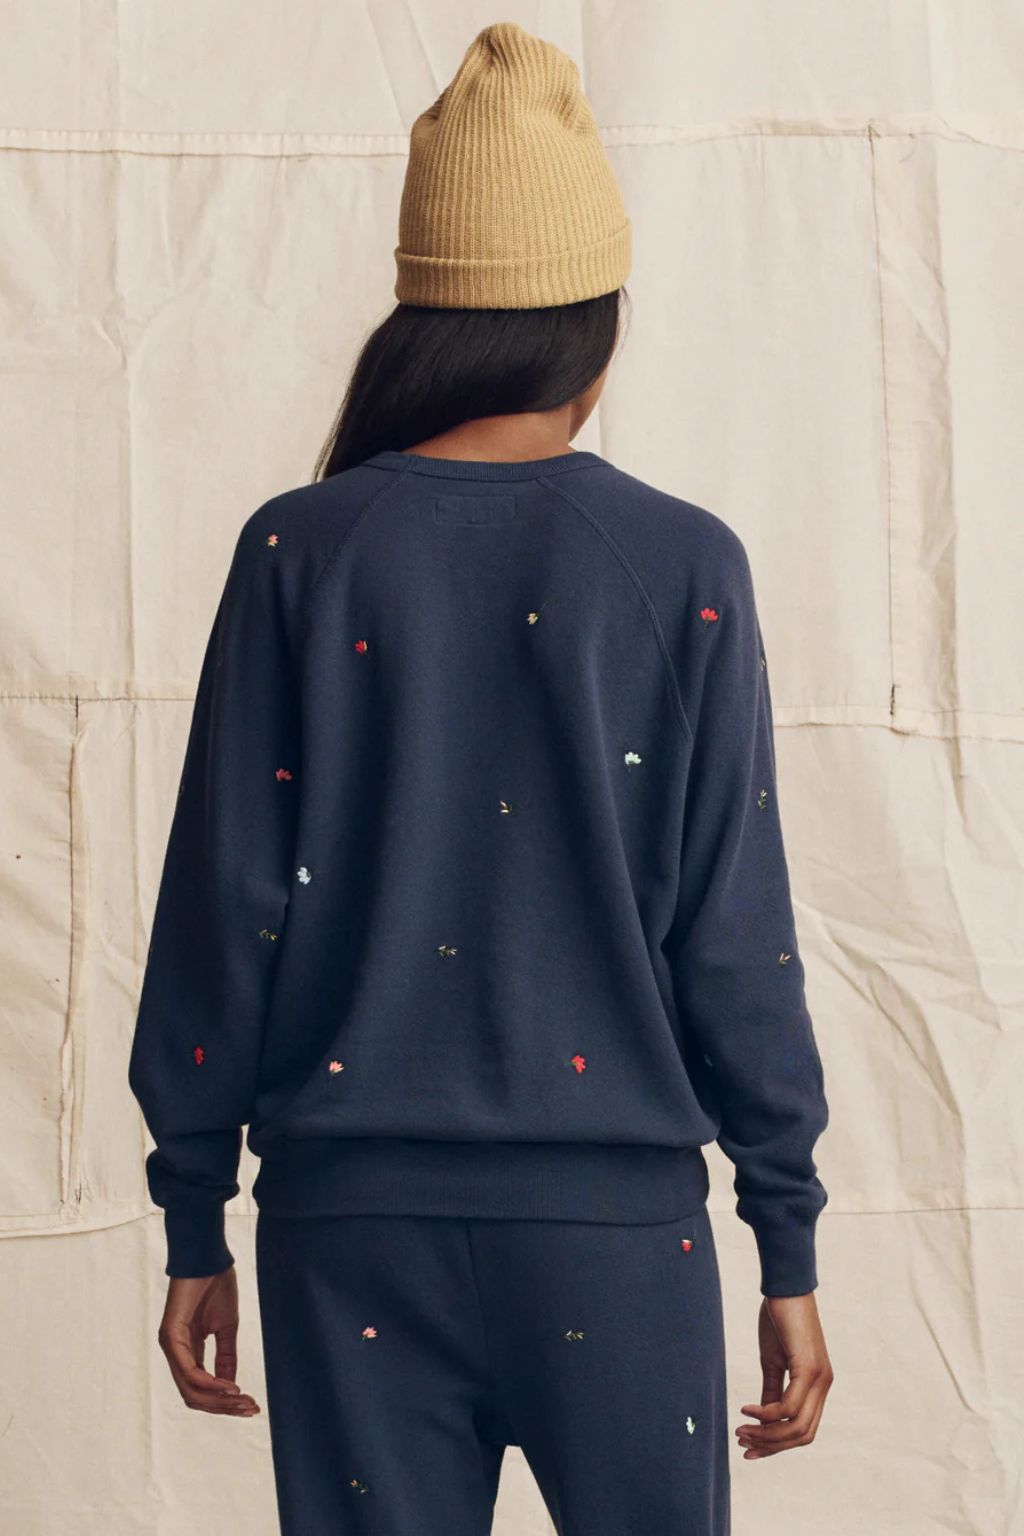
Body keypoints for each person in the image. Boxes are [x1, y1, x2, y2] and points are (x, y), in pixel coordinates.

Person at [127, 19, 834, 1535]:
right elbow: (735, 936)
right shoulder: (682, 565)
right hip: (617, 1236)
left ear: (424, 320)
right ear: (596, 319)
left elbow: (223, 909)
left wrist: (193, 1216)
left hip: (346, 1235)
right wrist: (788, 1239)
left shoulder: (299, 549)